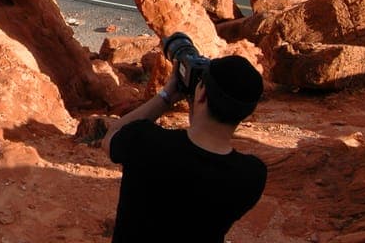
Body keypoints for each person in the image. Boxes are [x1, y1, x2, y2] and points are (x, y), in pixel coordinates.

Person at [102, 54, 267, 242]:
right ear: (246, 113)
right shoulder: (251, 176)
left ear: (202, 94)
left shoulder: (146, 142)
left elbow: (111, 136)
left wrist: (166, 96)